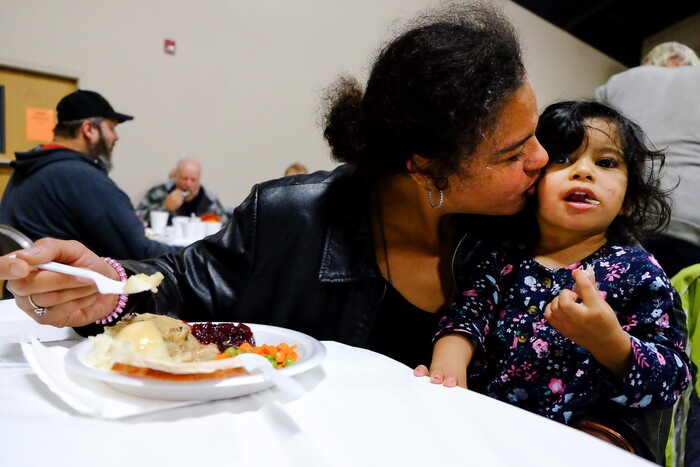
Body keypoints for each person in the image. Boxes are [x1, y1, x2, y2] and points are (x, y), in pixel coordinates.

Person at [0, 5, 684, 462]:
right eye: (512, 154)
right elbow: (179, 283)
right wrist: (105, 288)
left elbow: (625, 355)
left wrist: (611, 429)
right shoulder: (293, 218)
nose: (541, 163)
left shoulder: (523, 234)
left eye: (536, 138)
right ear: (426, 168)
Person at [415, 100, 690, 460]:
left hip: (577, 447)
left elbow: (672, 378)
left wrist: (610, 342)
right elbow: (466, 317)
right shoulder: (501, 257)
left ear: (627, 197)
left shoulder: (640, 271)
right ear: (532, 183)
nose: (584, 172)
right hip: (484, 432)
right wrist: (446, 376)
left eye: (605, 162)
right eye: (562, 159)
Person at [0, 90, 178, 261]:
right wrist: (196, 253)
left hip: (24, 286)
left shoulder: (31, 166)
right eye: (111, 128)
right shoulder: (79, 177)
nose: (116, 137)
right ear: (88, 129)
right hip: (69, 287)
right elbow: (139, 252)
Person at [595, 42, 700, 278]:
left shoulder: (618, 81)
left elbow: (590, 140)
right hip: (693, 227)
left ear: (670, 61)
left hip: (624, 217)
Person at [135, 158, 227, 225]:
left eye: (193, 180)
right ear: (175, 176)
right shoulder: (158, 193)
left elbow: (225, 227)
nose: (188, 184)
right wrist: (164, 207)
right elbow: (135, 219)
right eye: (184, 178)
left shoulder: (210, 200)